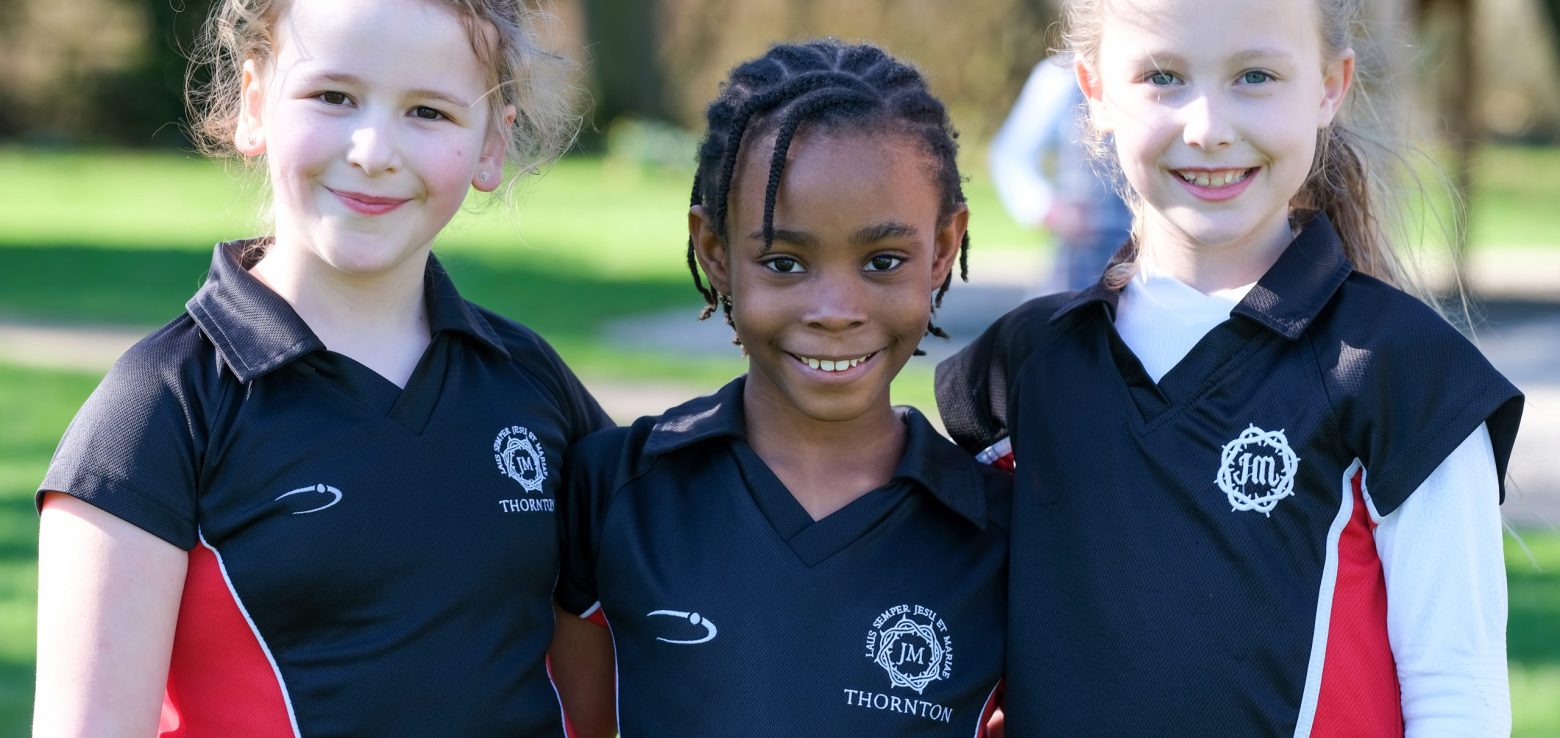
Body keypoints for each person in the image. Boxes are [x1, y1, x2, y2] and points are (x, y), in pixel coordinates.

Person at [936, 0, 1525, 734]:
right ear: (1093, 89)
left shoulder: (1401, 373)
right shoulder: (1017, 377)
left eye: (1254, 75)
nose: (1208, 126)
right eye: (1162, 76)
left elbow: (1456, 694)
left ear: (1329, 85)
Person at [32, 1, 615, 735]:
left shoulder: (532, 385)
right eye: (334, 97)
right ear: (254, 106)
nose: (374, 150)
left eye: (429, 112)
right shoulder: (161, 410)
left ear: (492, 145)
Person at [555, 40, 1010, 736]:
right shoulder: (613, 491)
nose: (834, 309)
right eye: (784, 261)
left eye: (883, 260)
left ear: (945, 248)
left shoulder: (1001, 533)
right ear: (714, 252)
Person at [988, 54, 1132, 291]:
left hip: (1152, 259)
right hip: (1085, 261)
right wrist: (1048, 209)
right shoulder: (1061, 77)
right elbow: (1010, 155)